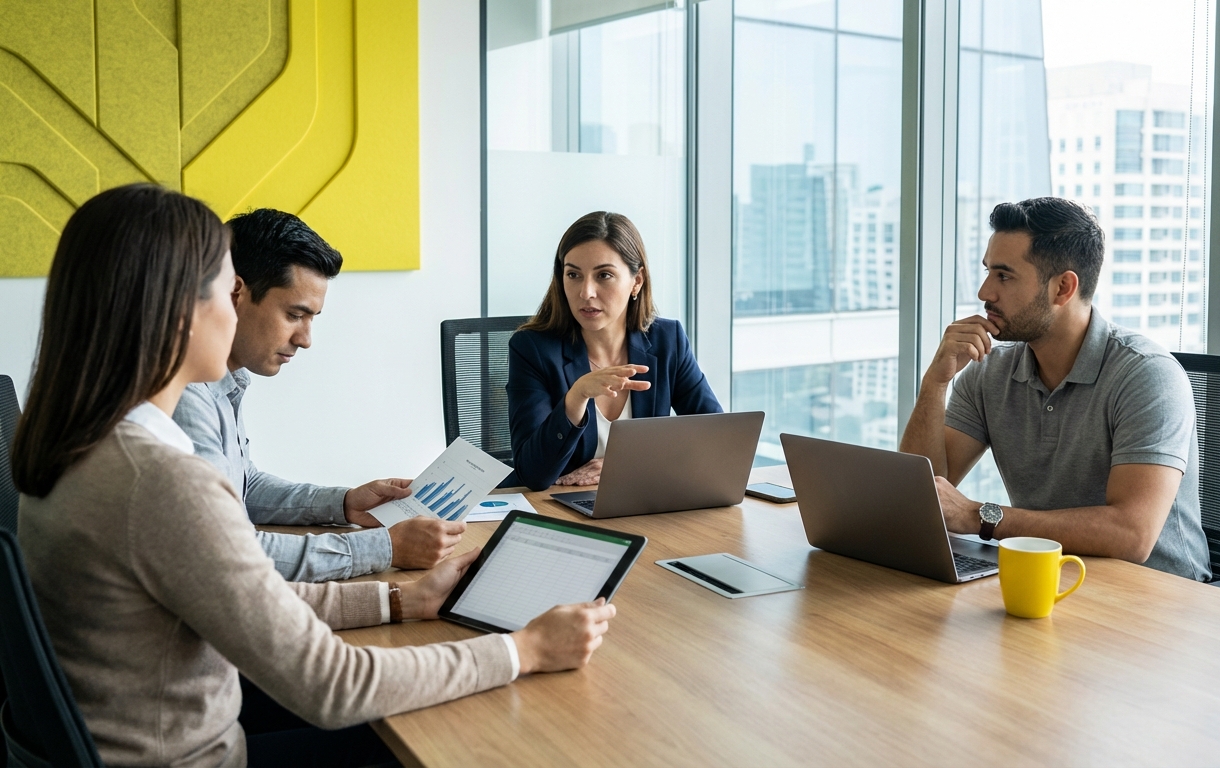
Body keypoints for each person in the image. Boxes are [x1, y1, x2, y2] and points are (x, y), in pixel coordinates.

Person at [13, 184, 617, 768]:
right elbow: (332, 685)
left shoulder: (86, 441)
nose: (239, 304)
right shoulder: (158, 481)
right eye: (229, 291)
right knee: (470, 740)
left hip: (164, 732)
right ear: (176, 311)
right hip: (197, 753)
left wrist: (400, 601)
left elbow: (248, 597)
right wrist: (524, 649)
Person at [897, 197, 1210, 581]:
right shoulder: (989, 372)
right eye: (987, 272)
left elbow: (1132, 534)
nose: (984, 292)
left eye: (1004, 276)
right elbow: (920, 497)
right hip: (1051, 580)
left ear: (1063, 287)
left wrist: (980, 516)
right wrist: (935, 383)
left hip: (1158, 599)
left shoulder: (1147, 376)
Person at [172, 208, 459, 583]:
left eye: (312, 319)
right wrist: (384, 548)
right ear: (235, 293)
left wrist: (343, 504)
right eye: (294, 315)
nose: (305, 340)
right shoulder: (185, 396)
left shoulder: (226, 379)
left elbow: (243, 485)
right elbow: (227, 552)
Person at [508, 211, 722, 491]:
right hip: (561, 507)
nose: (586, 292)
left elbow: (717, 440)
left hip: (644, 498)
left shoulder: (667, 340)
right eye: (573, 274)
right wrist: (576, 397)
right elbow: (533, 474)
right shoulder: (532, 349)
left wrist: (627, 466)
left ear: (637, 281)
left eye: (604, 275)